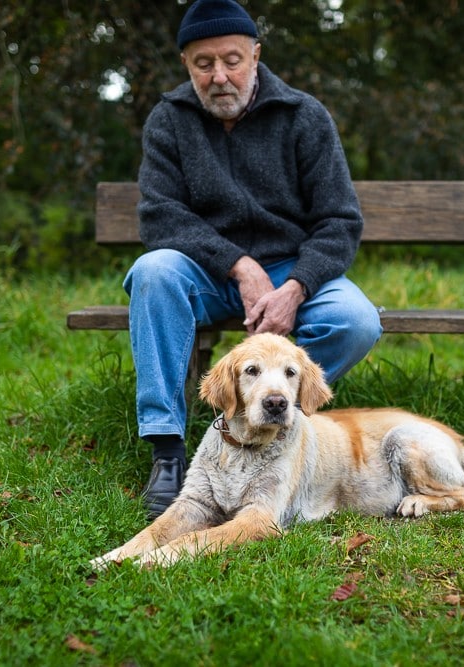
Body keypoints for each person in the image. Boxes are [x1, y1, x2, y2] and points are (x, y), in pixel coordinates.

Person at [125, 0, 382, 518]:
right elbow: (160, 218)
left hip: (293, 268)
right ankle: (169, 450)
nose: (219, 76)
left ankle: (274, 416)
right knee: (152, 273)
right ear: (186, 65)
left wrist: (299, 285)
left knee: (356, 321)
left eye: (232, 60)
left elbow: (339, 221)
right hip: (208, 269)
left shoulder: (303, 116)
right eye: (204, 64)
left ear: (256, 55)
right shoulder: (168, 121)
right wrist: (237, 264)